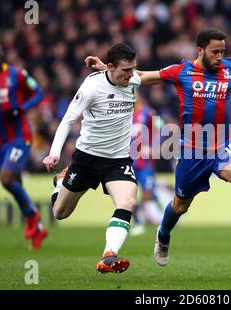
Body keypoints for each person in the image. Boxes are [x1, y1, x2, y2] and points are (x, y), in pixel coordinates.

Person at [86, 28, 231, 267]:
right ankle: (163, 235)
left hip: (223, 143)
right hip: (192, 149)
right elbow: (144, 76)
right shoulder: (182, 71)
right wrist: (109, 69)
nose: (220, 56)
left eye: (222, 51)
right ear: (200, 50)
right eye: (215, 52)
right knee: (180, 205)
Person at [42, 43, 141, 274]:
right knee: (60, 213)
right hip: (87, 159)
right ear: (110, 67)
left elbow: (157, 76)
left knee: (127, 202)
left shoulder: (134, 80)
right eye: (126, 70)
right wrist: (54, 153)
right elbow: (68, 119)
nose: (131, 75)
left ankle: (108, 256)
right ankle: (60, 182)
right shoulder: (92, 87)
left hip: (118, 160)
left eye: (133, 69)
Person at [0, 41, 47, 249]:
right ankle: (38, 230)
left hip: (20, 137)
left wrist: (21, 109)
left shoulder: (17, 74)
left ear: (2, 53)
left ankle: (32, 216)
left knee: (5, 178)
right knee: (16, 183)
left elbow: (38, 93)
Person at [130, 100, 163, 236]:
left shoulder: (147, 112)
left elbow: (160, 127)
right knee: (129, 194)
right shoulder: (121, 112)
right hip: (128, 161)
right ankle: (137, 222)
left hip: (145, 161)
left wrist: (153, 147)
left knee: (148, 192)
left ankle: (158, 218)